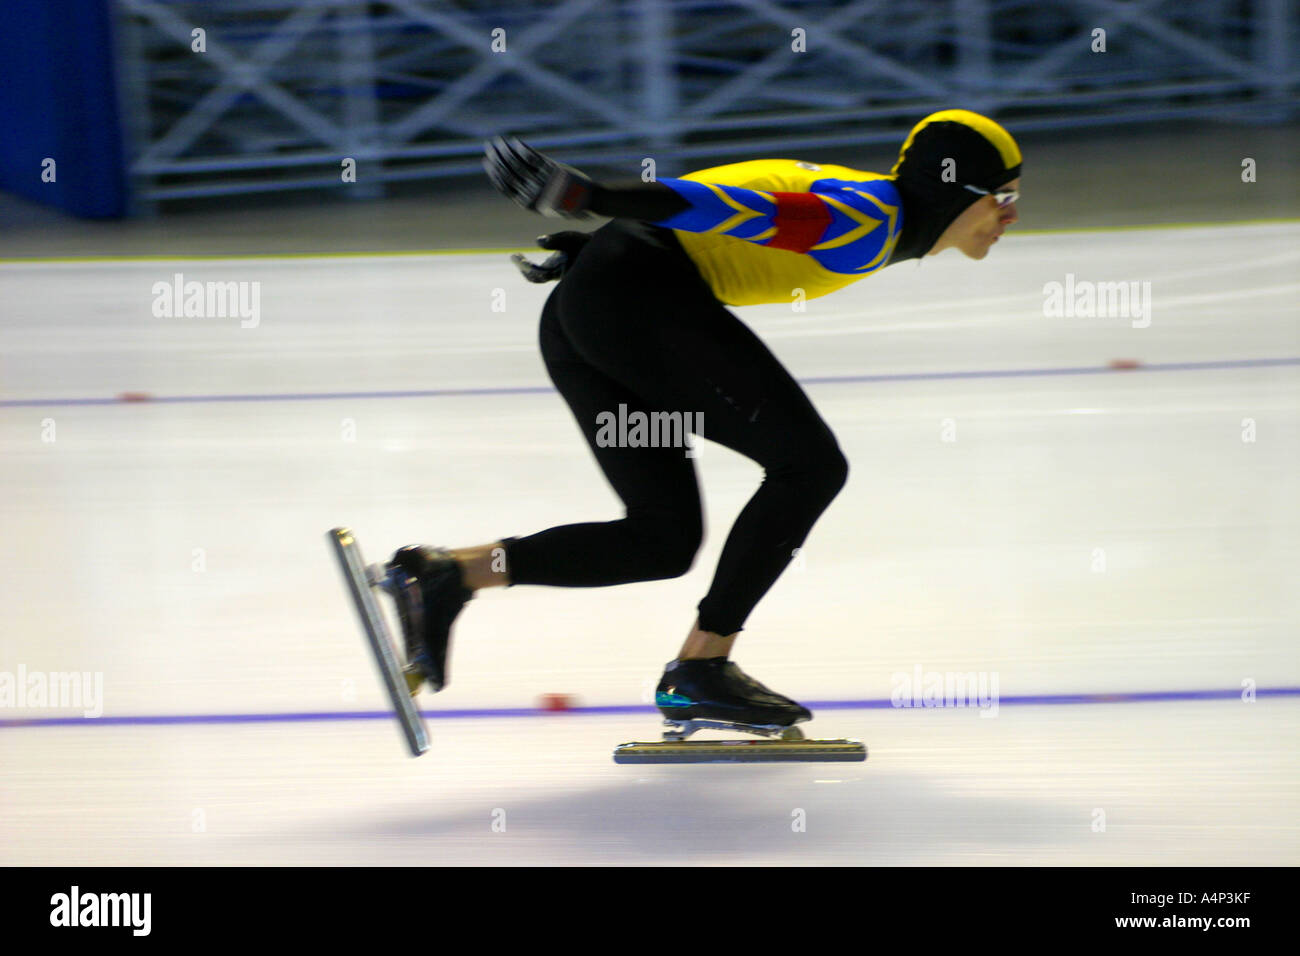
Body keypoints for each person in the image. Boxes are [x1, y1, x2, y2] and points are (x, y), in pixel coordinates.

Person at [384, 109, 1022, 732]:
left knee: (662, 539)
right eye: (1003, 196)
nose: (1010, 216)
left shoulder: (875, 211)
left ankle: (445, 575)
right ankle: (702, 665)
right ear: (953, 192)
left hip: (597, 313)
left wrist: (609, 246)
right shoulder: (866, 219)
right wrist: (595, 198)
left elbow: (730, 217)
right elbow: (730, 208)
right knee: (810, 466)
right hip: (628, 304)